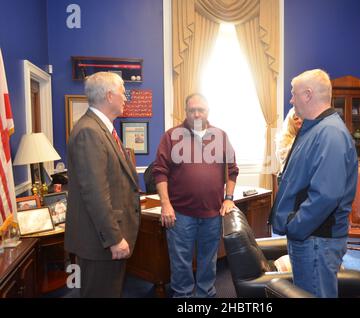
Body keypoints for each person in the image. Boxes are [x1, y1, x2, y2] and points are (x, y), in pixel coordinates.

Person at [270, 69, 358, 298]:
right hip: (311, 237)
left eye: (293, 94)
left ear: (307, 95)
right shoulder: (316, 127)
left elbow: (326, 196)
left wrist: (295, 226)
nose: (291, 100)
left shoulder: (329, 133)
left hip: (316, 239)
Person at [152, 93, 239, 298]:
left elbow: (232, 170)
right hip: (180, 214)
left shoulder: (220, 136)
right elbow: (160, 172)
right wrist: (165, 204)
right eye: (192, 110)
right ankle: (183, 298)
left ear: (208, 111)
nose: (197, 114)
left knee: (208, 261)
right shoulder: (172, 136)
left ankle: (205, 297)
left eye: (201, 109)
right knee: (180, 262)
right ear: (186, 112)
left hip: (212, 213)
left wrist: (229, 197)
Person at [65, 72, 141, 297]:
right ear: (109, 96)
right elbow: (96, 193)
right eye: (122, 93)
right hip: (101, 243)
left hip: (104, 240)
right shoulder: (89, 131)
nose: (126, 98)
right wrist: (115, 238)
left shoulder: (101, 129)